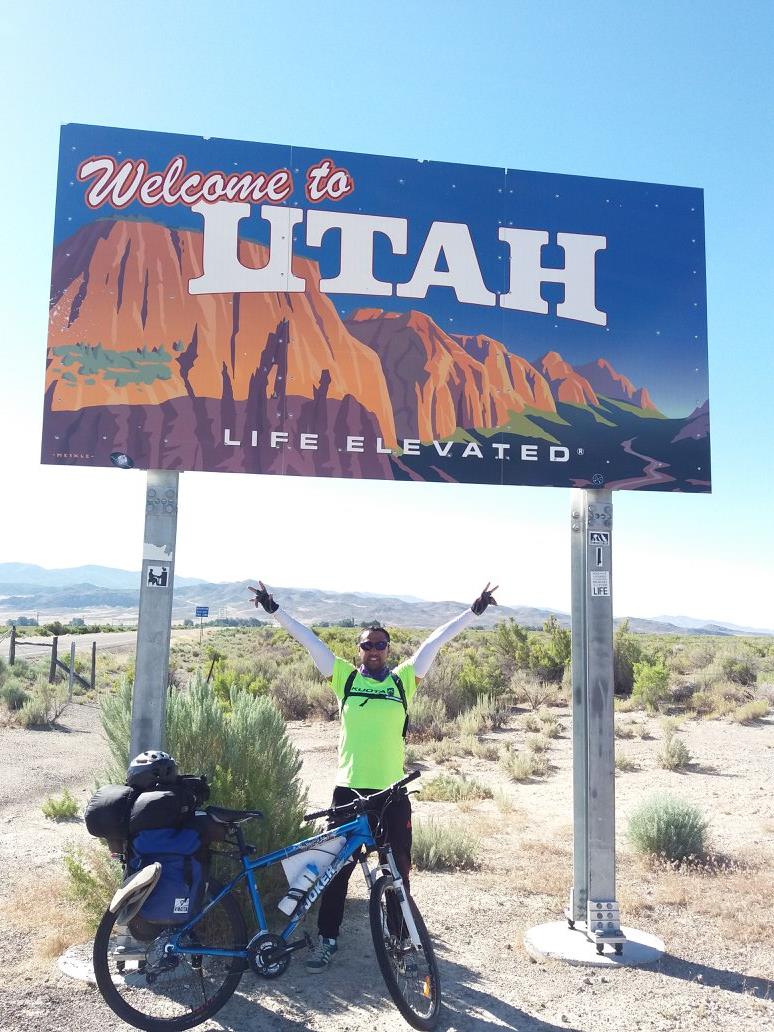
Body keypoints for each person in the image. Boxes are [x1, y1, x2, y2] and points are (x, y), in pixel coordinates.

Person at [249, 579, 498, 972]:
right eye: (367, 645)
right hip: (349, 791)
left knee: (398, 870)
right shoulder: (345, 679)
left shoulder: (404, 680)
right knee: (336, 871)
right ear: (359, 650)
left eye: (380, 644)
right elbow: (309, 640)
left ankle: (400, 943)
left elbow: (434, 642)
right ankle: (328, 941)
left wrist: (473, 612)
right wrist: (274, 609)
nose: (374, 650)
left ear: (388, 649)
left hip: (391, 792)